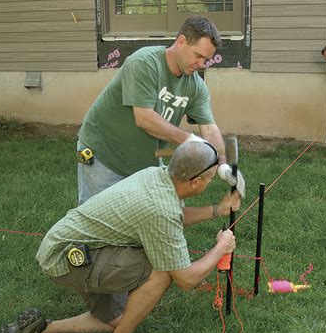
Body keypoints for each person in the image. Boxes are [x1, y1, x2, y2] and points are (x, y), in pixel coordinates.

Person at [0, 140, 241, 333]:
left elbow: (176, 216)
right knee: (163, 272)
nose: (209, 183)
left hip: (74, 246)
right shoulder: (159, 209)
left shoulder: (157, 176)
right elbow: (185, 279)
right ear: (195, 182)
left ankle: (42, 330)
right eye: (208, 180)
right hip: (69, 259)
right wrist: (221, 248)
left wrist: (216, 210)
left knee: (119, 319)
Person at [77, 15, 244, 204]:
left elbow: (209, 127)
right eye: (198, 55)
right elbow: (144, 119)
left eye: (206, 59)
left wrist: (222, 165)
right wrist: (190, 141)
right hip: (103, 154)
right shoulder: (145, 63)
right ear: (181, 42)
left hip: (143, 162)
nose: (201, 65)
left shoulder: (196, 87)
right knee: (98, 222)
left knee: (151, 217)